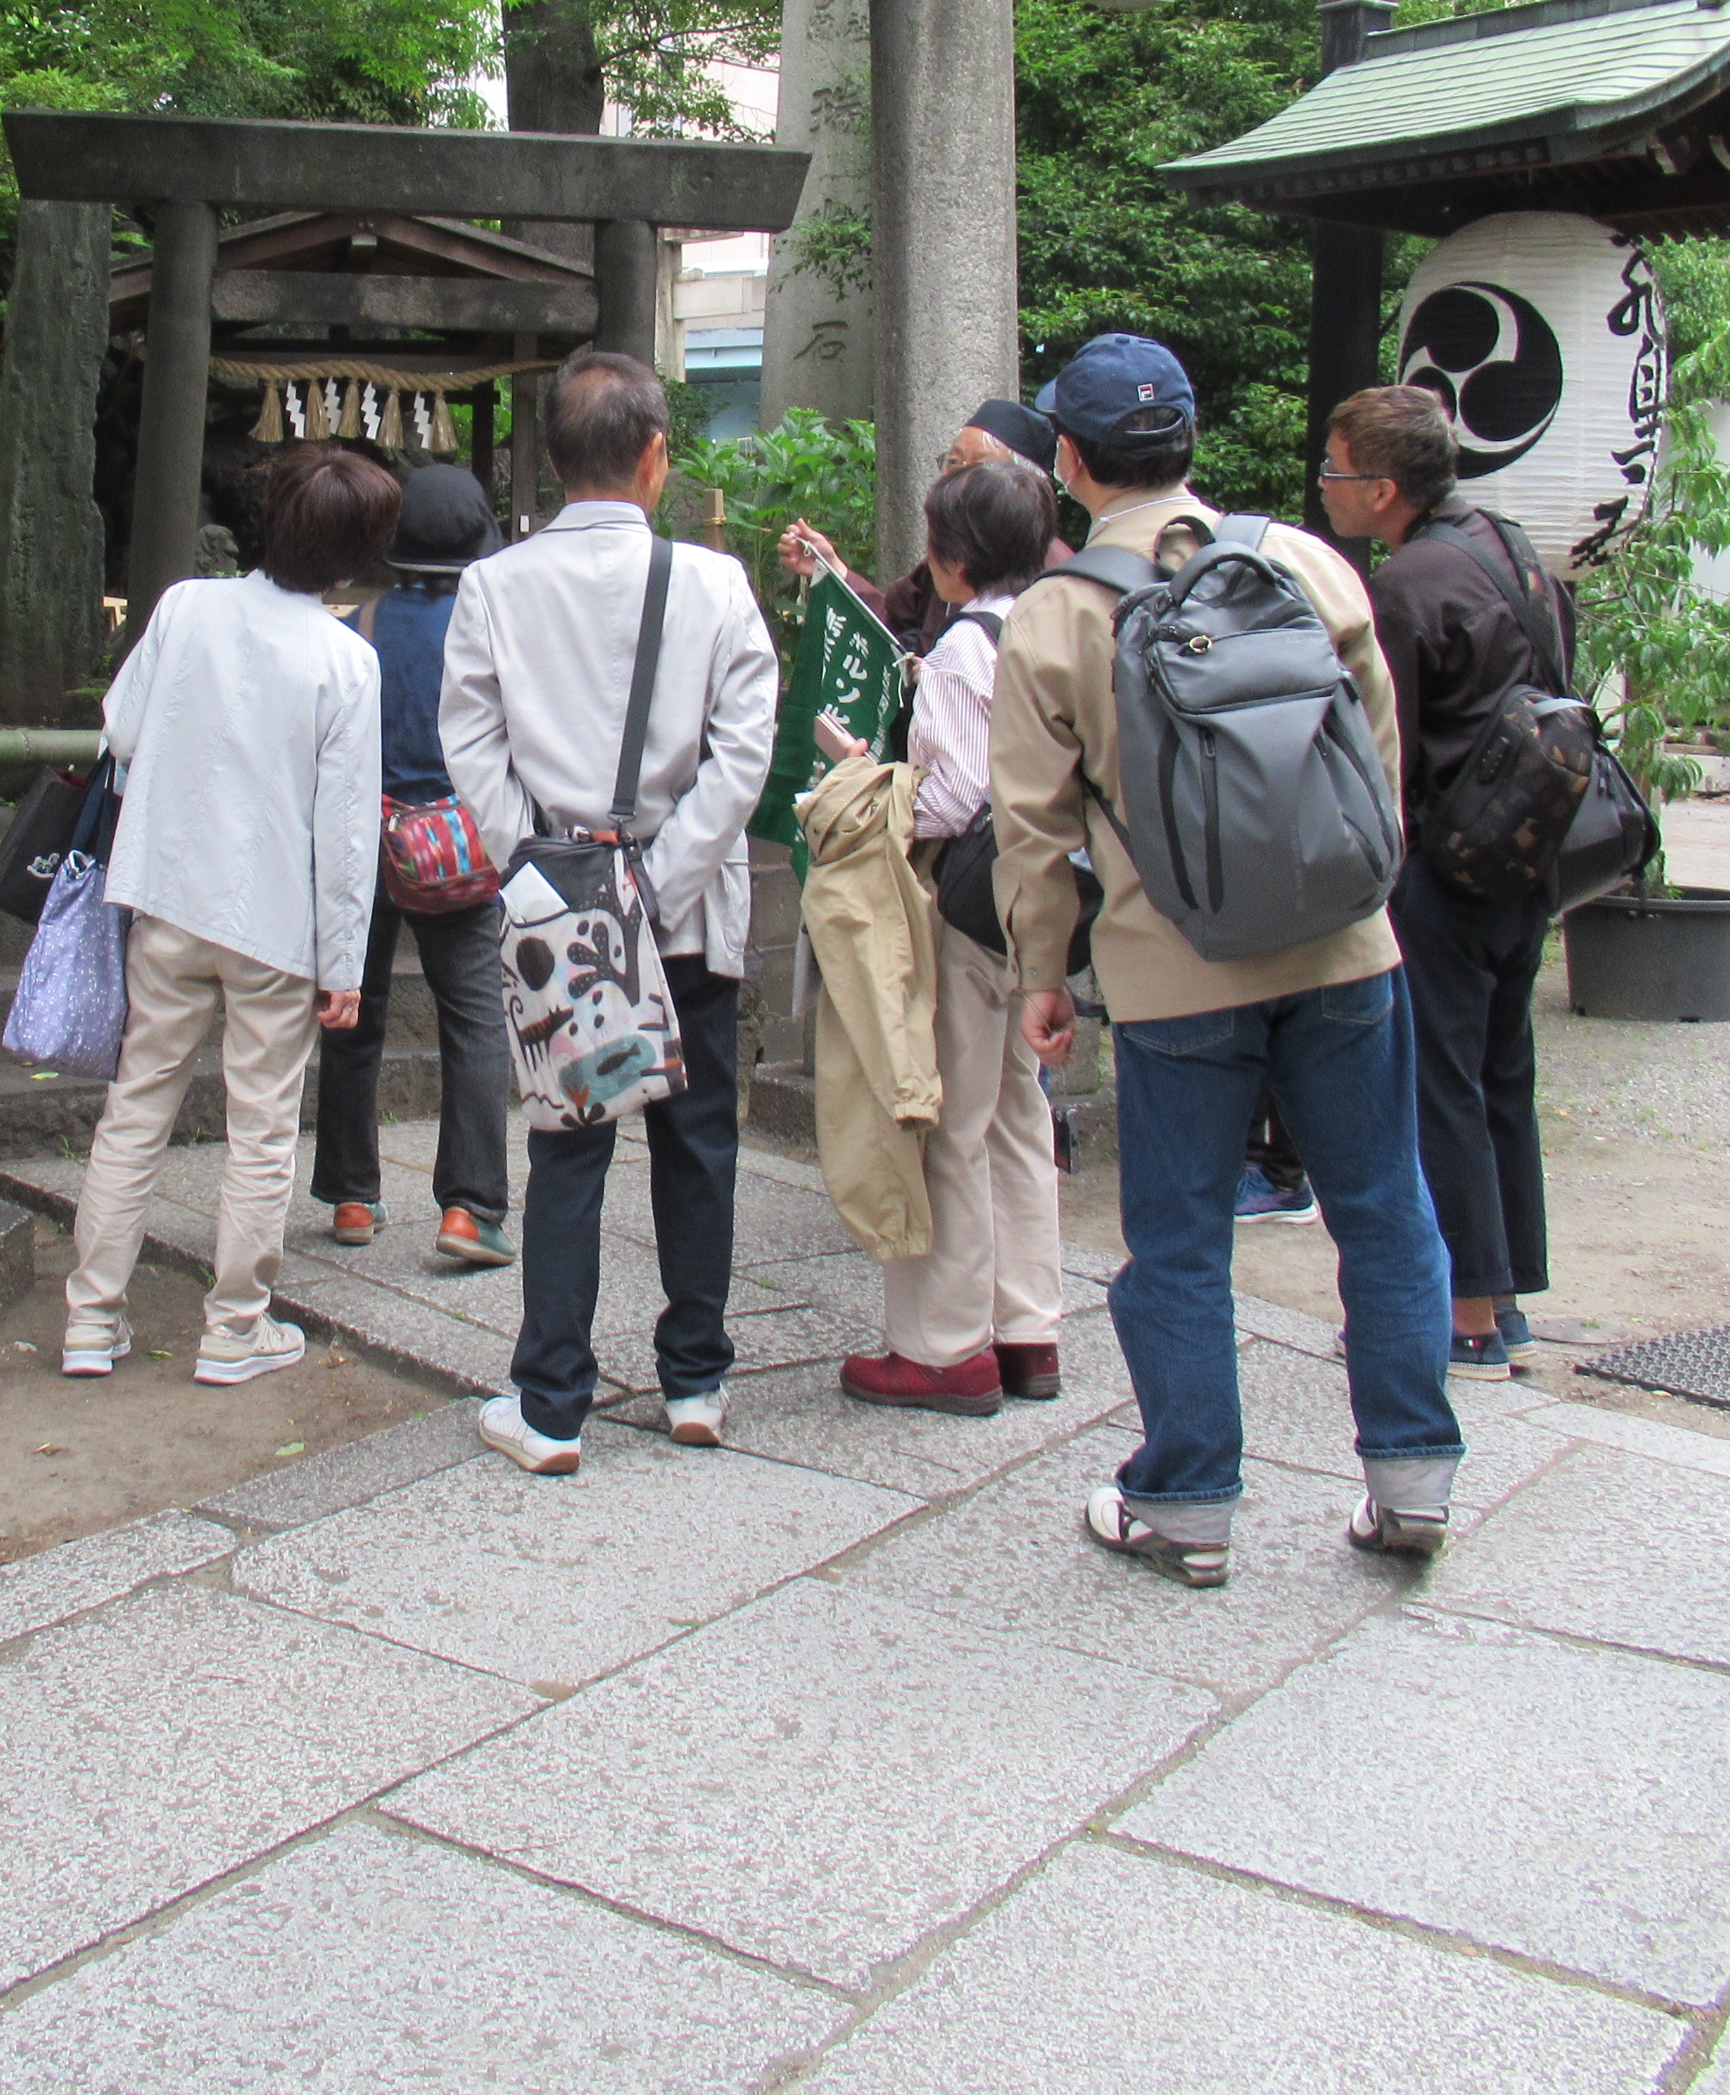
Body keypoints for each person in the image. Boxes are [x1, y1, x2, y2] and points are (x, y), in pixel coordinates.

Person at [987, 333, 1464, 1589]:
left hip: (1173, 966)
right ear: (1191, 442)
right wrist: (1364, 880)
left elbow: (1034, 828)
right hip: (1343, 945)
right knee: (1382, 1204)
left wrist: (1046, 974)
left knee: (1182, 1235)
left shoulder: (1058, 612)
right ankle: (1413, 1479)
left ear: (1071, 462)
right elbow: (1373, 740)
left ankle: (1189, 1502)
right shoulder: (1300, 558)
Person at [439, 349, 781, 1473]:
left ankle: (550, 1404)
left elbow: (472, 744)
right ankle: (696, 1379)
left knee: (570, 1143)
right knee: (699, 1140)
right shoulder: (716, 585)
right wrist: (666, 874)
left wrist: (534, 867)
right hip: (683, 919)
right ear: (654, 460)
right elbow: (744, 756)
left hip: (561, 914)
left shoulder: (495, 583)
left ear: (551, 457)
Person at [62, 447, 391, 1386]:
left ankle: (91, 1320)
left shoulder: (183, 606)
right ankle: (234, 1329)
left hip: (166, 897)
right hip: (276, 927)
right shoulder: (346, 660)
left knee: (136, 1107)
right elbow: (346, 833)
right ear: (354, 555)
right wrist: (345, 966)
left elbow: (121, 729)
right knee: (261, 1128)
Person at [1318, 383, 1571, 1380]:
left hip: (1450, 864)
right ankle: (1504, 1299)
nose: (1326, 489)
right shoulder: (1512, 549)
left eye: (1336, 472)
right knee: (1503, 1072)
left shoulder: (1406, 585)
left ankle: (1462, 1315)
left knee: (1441, 1082)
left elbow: (1390, 751)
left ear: (1383, 489)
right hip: (1530, 848)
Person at [827, 458, 1070, 1413]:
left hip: (968, 908)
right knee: (1018, 1113)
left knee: (952, 1125)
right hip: (1037, 909)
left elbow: (957, 798)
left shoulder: (965, 649)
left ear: (950, 557)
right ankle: (1028, 1327)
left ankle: (946, 1347)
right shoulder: (1041, 629)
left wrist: (871, 774)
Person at [311, 462, 518, 1265]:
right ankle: (469, 1209)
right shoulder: (488, 632)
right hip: (456, 857)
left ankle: (354, 1197)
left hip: (363, 849)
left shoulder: (355, 625)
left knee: (351, 1013)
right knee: (472, 1021)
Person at [778, 397, 1070, 654]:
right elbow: (892, 628)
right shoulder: (948, 557)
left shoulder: (1055, 575)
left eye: (982, 467)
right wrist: (833, 569)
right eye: (954, 463)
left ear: (1023, 484)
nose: (960, 479)